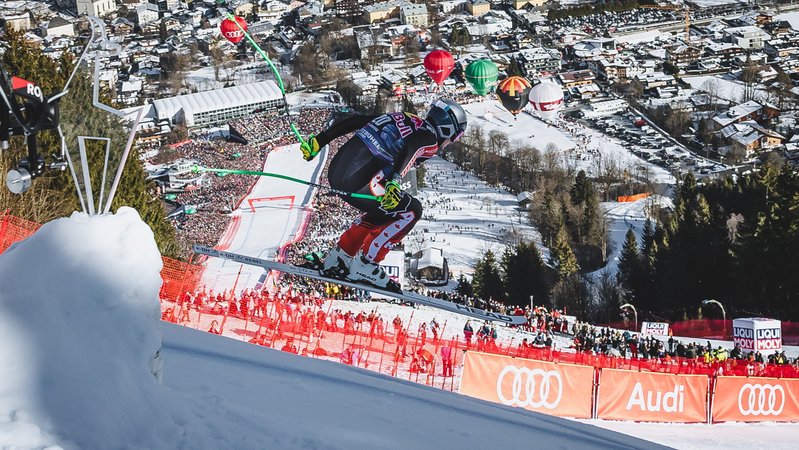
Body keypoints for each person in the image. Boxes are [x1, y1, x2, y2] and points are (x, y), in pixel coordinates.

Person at [300, 99, 468, 290]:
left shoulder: (405, 118)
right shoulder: (430, 139)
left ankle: (341, 255)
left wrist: (321, 140)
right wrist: (395, 180)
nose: (451, 142)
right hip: (357, 181)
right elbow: (413, 147)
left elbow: (357, 120)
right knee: (412, 211)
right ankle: (367, 264)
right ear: (448, 128)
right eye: (455, 137)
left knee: (386, 209)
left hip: (337, 172)